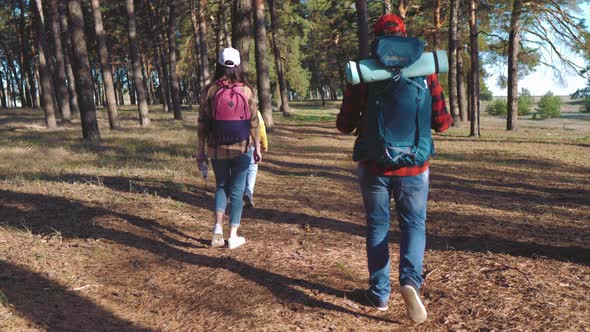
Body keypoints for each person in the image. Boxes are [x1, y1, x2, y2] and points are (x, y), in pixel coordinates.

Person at [337, 14, 452, 324]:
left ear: (378, 40)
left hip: (374, 167)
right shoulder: (426, 72)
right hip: (415, 167)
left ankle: (379, 295)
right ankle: (410, 282)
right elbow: (442, 122)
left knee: (377, 227)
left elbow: (345, 124)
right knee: (414, 224)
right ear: (406, 38)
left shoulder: (365, 72)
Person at [197, 47, 262, 250]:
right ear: (238, 65)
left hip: (217, 146)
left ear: (219, 64)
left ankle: (217, 227)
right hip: (242, 147)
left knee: (221, 186)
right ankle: (233, 235)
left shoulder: (210, 90)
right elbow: (253, 122)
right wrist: (257, 147)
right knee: (237, 190)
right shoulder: (247, 90)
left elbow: (202, 124)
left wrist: (201, 151)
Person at [243, 112, 268, 208]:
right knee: (252, 167)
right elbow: (260, 126)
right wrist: (264, 144)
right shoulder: (253, 109)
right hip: (251, 143)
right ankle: (248, 191)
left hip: (233, 144)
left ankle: (234, 192)